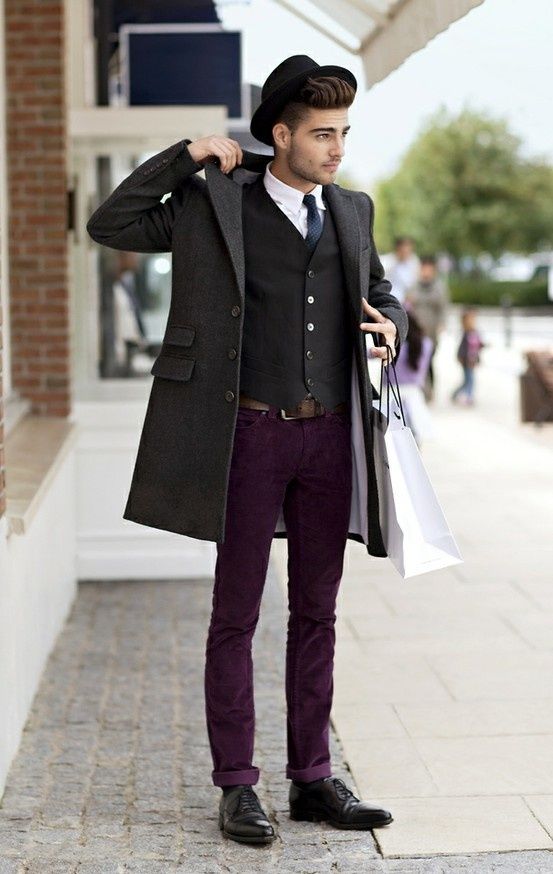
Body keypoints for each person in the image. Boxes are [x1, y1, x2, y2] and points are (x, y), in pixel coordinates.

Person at [86, 54, 407, 845]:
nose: (337, 148)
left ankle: (312, 778)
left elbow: (378, 289)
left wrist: (391, 323)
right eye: (322, 134)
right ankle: (236, 785)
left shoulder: (352, 210)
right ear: (281, 135)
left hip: (330, 435)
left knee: (316, 613)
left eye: (343, 132)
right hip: (248, 435)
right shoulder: (214, 202)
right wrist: (184, 155)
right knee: (235, 614)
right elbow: (109, 224)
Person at [404, 254, 448, 402]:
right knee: (417, 358)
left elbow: (443, 308)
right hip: (416, 331)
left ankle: (429, 390)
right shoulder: (413, 286)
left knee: (429, 360)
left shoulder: (439, 287)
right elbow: (407, 305)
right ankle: (420, 389)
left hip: (431, 330)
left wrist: (442, 324)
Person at [391, 310, 434, 448]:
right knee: (414, 441)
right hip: (414, 395)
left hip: (391, 395)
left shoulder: (393, 346)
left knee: (395, 442)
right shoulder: (426, 344)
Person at [451, 307, 486, 406]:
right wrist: (460, 358)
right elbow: (462, 348)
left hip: (473, 361)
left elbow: (477, 345)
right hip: (466, 361)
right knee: (469, 380)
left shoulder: (475, 332)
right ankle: (468, 397)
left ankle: (458, 395)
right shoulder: (466, 334)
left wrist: (483, 346)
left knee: (468, 381)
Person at [381, 235, 419, 304]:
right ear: (398, 248)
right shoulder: (387, 262)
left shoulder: (413, 263)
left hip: (406, 303)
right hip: (388, 299)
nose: (406, 251)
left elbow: (413, 284)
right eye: (404, 248)